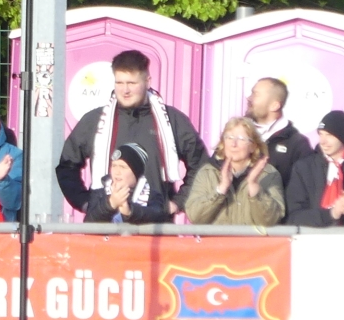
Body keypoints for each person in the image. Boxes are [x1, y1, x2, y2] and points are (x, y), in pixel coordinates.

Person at [57, 49, 206, 214]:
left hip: (154, 223)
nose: (125, 90)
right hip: (104, 222)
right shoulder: (94, 120)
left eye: (132, 83)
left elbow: (202, 166)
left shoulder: (172, 120)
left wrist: (177, 203)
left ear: (147, 81)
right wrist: (85, 203)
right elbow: (66, 166)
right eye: (119, 83)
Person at [183, 116, 286, 227]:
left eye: (241, 139)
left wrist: (254, 187)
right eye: (229, 138)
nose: (233, 144)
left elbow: (270, 220)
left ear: (253, 146)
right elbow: (195, 217)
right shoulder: (207, 172)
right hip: (218, 239)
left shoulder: (269, 174)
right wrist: (220, 189)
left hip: (251, 239)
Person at [245, 77, 313, 193]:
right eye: (251, 93)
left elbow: (302, 191)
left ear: (275, 106)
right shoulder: (236, 134)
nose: (249, 98)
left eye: (256, 94)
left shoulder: (297, 144)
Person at [82, 142, 173, 225]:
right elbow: (89, 222)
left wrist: (130, 212)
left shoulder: (153, 196)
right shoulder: (99, 194)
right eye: (114, 166)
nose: (117, 172)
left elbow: (157, 216)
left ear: (136, 172)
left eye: (123, 167)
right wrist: (110, 204)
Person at [286, 110, 344, 228]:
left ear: (342, 136)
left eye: (329, 135)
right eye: (320, 134)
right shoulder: (304, 168)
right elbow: (294, 217)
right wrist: (332, 213)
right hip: (312, 237)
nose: (323, 141)